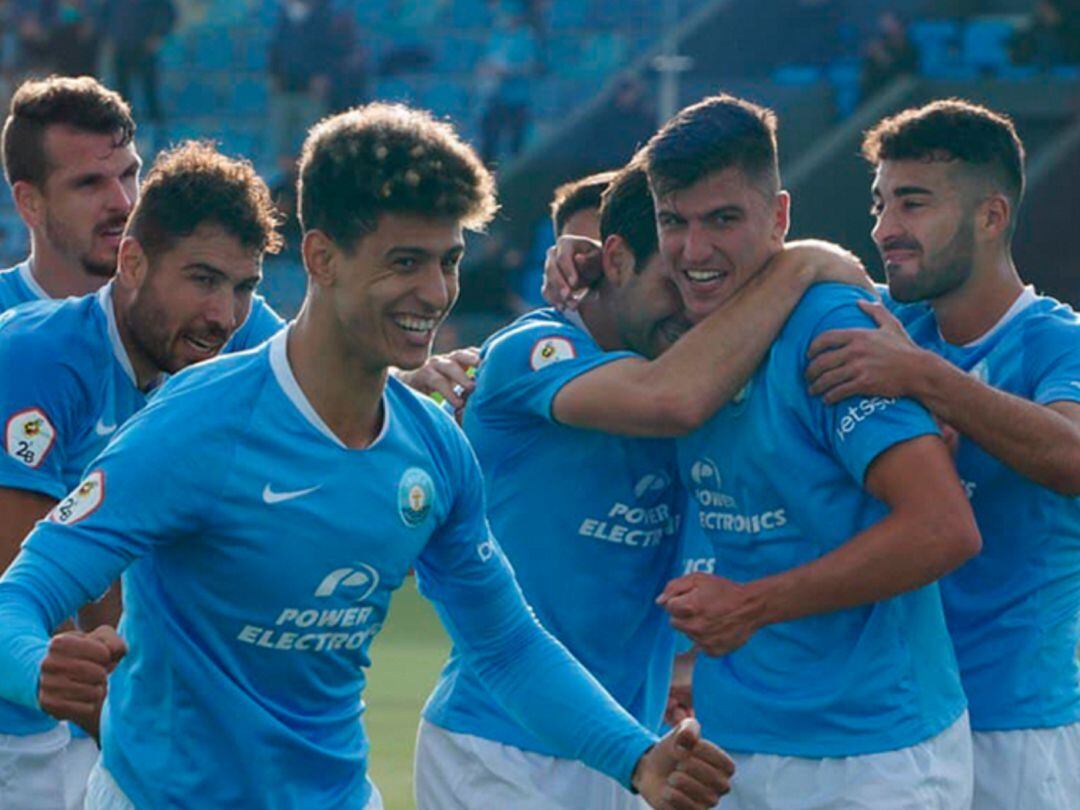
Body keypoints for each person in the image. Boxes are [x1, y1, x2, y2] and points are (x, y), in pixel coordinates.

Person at [0, 102, 734, 810]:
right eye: (404, 262)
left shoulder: (434, 448)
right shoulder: (196, 425)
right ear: (322, 256)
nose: (435, 292)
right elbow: (19, 594)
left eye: (447, 261)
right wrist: (37, 669)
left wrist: (635, 759)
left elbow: (506, 644)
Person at [416, 155, 873, 809]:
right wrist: (800, 262)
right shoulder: (535, 351)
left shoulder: (688, 364)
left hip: (631, 748)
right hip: (504, 751)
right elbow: (670, 399)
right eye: (673, 283)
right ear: (618, 260)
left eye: (707, 286)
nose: (693, 311)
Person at [643, 94, 981, 809]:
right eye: (675, 222)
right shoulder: (672, 332)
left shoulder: (830, 326)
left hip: (873, 754)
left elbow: (942, 526)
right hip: (726, 744)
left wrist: (752, 607)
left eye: (724, 220)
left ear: (779, 218)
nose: (694, 251)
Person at [805, 98, 1080, 810]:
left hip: (1010, 727)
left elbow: (1073, 456)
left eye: (913, 203)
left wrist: (926, 379)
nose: (884, 229)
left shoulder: (1055, 340)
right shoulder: (887, 323)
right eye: (880, 203)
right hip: (890, 725)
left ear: (991, 216)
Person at [0, 139, 281, 810]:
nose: (224, 315)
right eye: (203, 279)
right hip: (21, 733)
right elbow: (18, 581)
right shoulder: (41, 360)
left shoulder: (210, 351)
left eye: (243, 288)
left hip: (101, 722)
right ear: (131, 262)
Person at [0, 75, 477, 403]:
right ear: (29, 204)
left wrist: (405, 382)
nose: (124, 202)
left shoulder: (224, 317)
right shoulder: (15, 333)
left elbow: (314, 378)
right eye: (89, 184)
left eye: (129, 175)